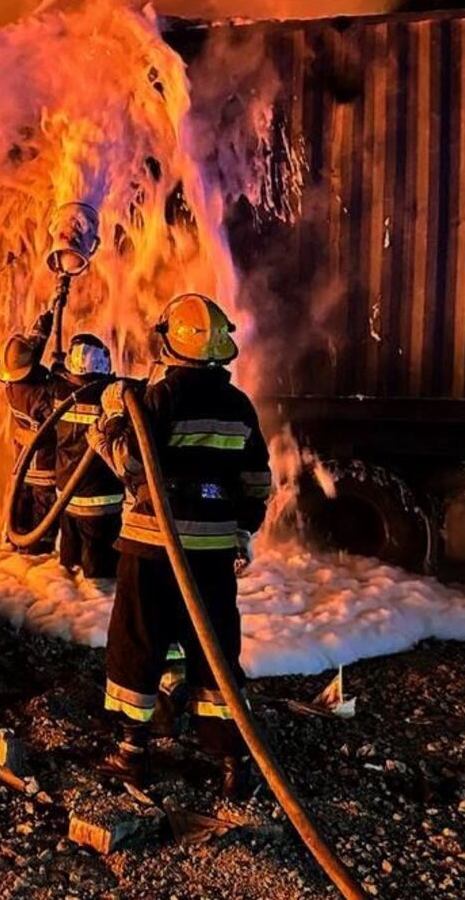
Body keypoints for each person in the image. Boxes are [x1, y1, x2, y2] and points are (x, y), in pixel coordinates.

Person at [87, 293, 272, 795]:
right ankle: (233, 764)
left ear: (169, 341)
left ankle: (131, 753)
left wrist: (107, 421)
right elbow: (256, 480)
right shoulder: (239, 405)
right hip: (211, 556)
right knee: (214, 652)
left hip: (151, 550)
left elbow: (131, 464)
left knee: (137, 645)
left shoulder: (160, 398)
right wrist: (241, 529)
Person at [52, 333, 125, 581]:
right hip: (100, 504)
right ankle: (92, 613)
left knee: (69, 569)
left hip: (66, 498)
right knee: (100, 577)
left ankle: (65, 610)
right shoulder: (113, 397)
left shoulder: (59, 393)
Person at [0, 309, 59, 554]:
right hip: (43, 470)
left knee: (18, 523)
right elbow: (55, 430)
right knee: (39, 536)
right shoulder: (40, 394)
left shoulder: (12, 385)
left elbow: (34, 344)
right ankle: (38, 567)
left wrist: (51, 312)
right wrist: (61, 374)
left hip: (22, 466)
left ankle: (16, 570)